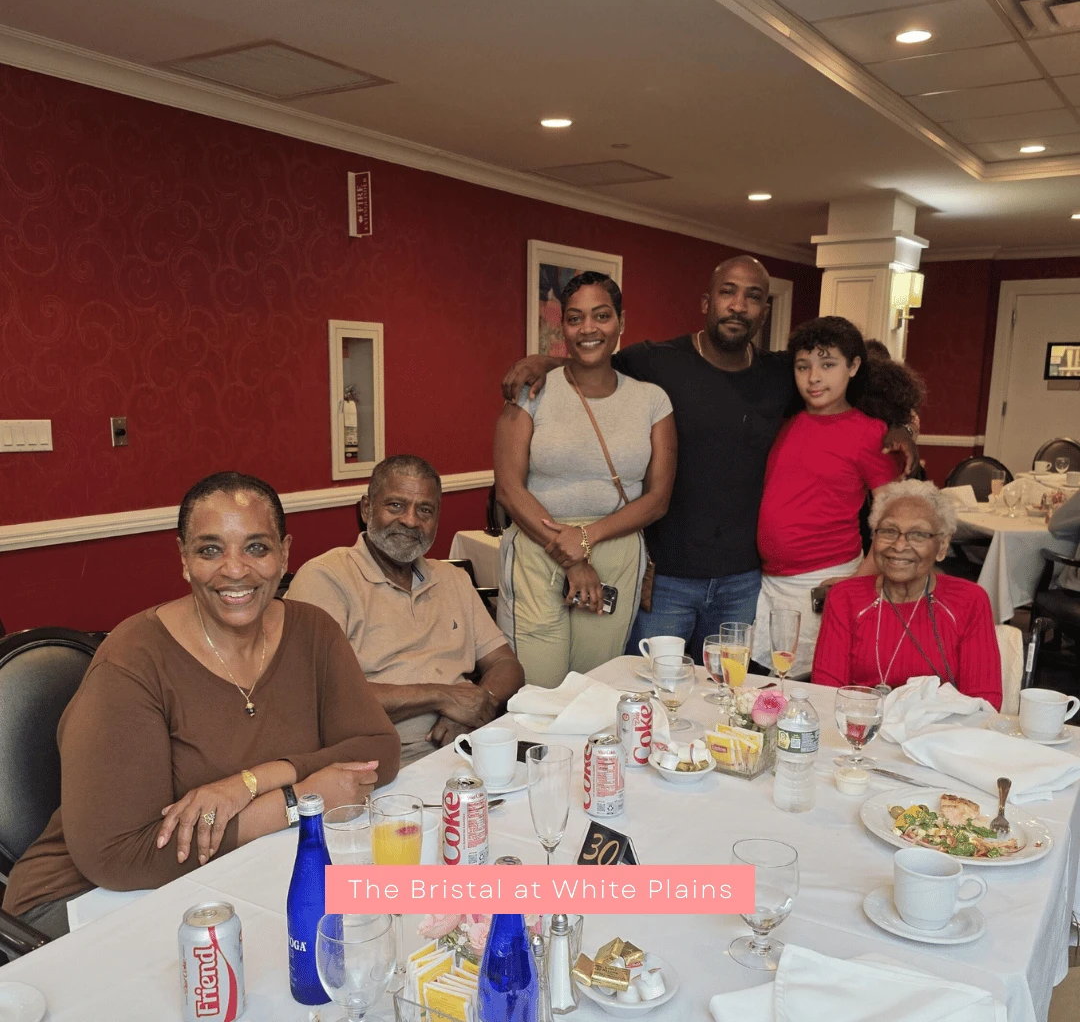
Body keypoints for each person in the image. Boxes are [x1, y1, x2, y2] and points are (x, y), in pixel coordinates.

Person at [2, 472, 401, 938]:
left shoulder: (313, 631)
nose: (235, 570)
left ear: (285, 553)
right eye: (210, 549)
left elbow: (379, 750)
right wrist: (295, 803)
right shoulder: (134, 662)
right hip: (83, 904)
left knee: (397, 923)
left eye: (256, 547)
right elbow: (117, 856)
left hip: (230, 869)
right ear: (184, 560)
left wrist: (253, 781)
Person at [501, 255, 917, 665]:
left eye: (753, 296)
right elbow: (594, 358)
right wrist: (545, 362)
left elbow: (850, 381)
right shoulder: (657, 361)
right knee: (643, 686)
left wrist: (899, 424)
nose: (738, 305)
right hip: (666, 578)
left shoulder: (781, 374)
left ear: (764, 311)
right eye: (728, 292)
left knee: (726, 694)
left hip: (745, 581)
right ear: (706, 302)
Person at [492, 271, 676, 687]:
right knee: (539, 691)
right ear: (563, 327)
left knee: (596, 688)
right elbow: (508, 488)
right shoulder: (531, 391)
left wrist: (587, 540)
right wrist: (573, 554)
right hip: (539, 550)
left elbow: (658, 498)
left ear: (621, 323)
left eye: (601, 316)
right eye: (575, 318)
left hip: (617, 553)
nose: (588, 329)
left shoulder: (652, 400)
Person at [287, 455, 525, 764]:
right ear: (366, 508)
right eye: (396, 505)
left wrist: (476, 708)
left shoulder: (453, 579)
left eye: (424, 510)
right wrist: (443, 695)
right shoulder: (327, 577)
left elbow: (507, 664)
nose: (411, 520)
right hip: (387, 767)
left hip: (473, 746)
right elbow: (322, 696)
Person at [753, 317, 912, 677]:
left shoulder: (870, 433)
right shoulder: (785, 422)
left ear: (854, 366)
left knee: (813, 686)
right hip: (767, 583)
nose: (814, 378)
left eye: (828, 365)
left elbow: (894, 520)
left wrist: (859, 581)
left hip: (825, 582)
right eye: (803, 366)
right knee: (767, 683)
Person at [811, 479, 1002, 709]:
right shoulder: (844, 598)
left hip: (941, 736)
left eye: (918, 534)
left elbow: (984, 702)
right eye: (889, 531)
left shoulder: (970, 601)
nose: (900, 545)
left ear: (941, 546)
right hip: (862, 731)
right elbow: (826, 694)